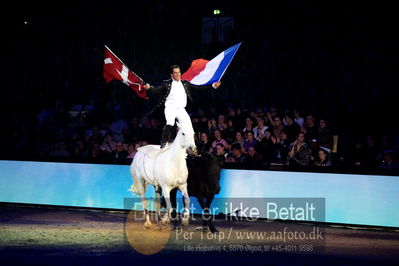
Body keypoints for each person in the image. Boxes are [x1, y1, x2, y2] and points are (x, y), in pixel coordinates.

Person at [144, 65, 221, 147]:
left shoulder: (185, 84)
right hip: (170, 108)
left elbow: (198, 88)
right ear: (171, 75)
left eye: (179, 72)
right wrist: (149, 88)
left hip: (181, 109)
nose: (177, 74)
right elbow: (157, 90)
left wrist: (212, 86)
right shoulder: (167, 84)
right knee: (170, 122)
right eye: (175, 73)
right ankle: (163, 142)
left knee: (189, 128)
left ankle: (192, 147)